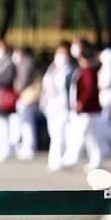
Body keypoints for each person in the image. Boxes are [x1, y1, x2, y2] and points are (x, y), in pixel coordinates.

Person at [62, 42, 103, 170]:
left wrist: (81, 102)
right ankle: (96, 161)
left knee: (79, 134)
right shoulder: (85, 71)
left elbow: (89, 89)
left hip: (87, 110)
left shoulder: (88, 72)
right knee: (91, 137)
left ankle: (71, 158)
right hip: (89, 110)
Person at [40, 42, 74, 172]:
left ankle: (55, 161)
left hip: (63, 107)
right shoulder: (51, 69)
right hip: (50, 106)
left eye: (63, 53)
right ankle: (62, 158)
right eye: (59, 53)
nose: (60, 56)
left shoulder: (70, 71)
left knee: (58, 135)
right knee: (54, 133)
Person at [10, 46, 38, 161]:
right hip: (24, 96)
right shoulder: (23, 63)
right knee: (25, 124)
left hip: (26, 96)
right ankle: (26, 147)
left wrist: (17, 87)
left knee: (27, 124)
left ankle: (29, 147)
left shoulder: (27, 62)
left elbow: (23, 81)